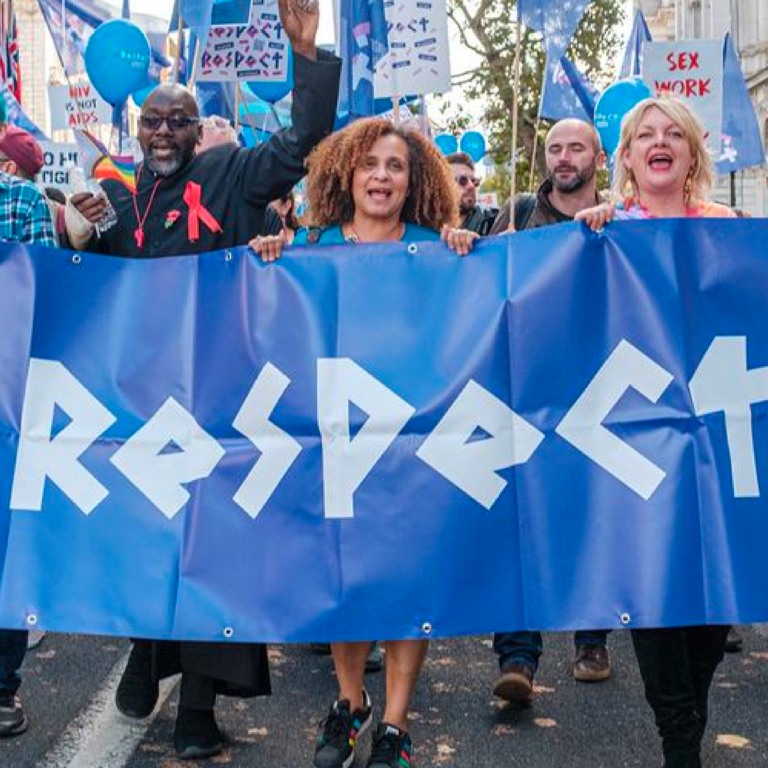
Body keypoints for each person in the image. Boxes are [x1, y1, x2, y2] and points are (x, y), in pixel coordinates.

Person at [70, 0, 341, 759]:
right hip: (144, 406)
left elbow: (301, 142)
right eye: (152, 122)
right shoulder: (120, 198)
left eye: (177, 122)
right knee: (153, 547)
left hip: (222, 400)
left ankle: (192, 711)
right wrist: (81, 232)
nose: (162, 132)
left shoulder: (232, 173)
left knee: (213, 557)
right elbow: (100, 293)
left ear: (198, 130)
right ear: (137, 130)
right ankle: (145, 651)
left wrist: (306, 53)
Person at [250, 117, 476, 768]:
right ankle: (351, 703)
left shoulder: (438, 248)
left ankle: (397, 726)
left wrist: (462, 254)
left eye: (396, 166)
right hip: (335, 445)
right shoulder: (309, 245)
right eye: (370, 164)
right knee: (342, 579)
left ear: (415, 181)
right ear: (345, 174)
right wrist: (274, 261)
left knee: (409, 581)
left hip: (410, 445)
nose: (382, 175)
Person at [576, 96, 734, 768]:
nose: (661, 142)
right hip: (638, 450)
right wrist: (585, 244)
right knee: (654, 586)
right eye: (647, 135)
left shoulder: (734, 231)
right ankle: (679, 743)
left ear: (692, 154)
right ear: (630, 157)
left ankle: (686, 719)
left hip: (722, 449)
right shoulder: (606, 234)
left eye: (675, 133)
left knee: (716, 593)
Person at [491, 118, 613, 708]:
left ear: (599, 157)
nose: (564, 158)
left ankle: (592, 638)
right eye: (555, 148)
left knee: (592, 512)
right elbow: (478, 288)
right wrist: (480, 245)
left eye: (576, 148)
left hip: (600, 392)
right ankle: (517, 655)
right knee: (522, 514)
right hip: (526, 387)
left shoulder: (623, 220)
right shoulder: (517, 214)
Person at [0, 101, 57, 738]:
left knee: (3, 545)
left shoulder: (21, 201)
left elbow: (46, 297)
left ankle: (1, 684)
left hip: (7, 400)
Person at [446, 151, 497, 235]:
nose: (471, 186)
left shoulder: (492, 224)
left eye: (473, 181)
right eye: (463, 180)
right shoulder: (428, 228)